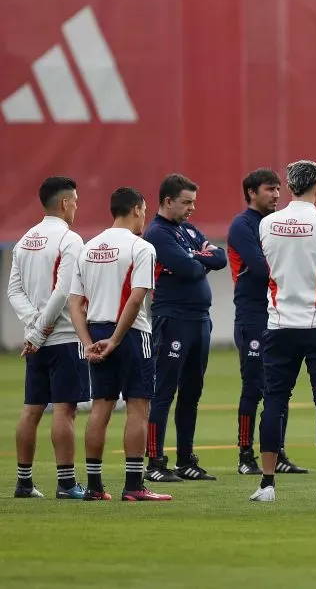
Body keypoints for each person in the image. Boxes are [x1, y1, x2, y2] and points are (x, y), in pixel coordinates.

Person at [248, 160, 316, 503]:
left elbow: (270, 266)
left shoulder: (267, 224)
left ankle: (266, 485)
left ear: (290, 186)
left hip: (279, 325)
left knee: (275, 403)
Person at [68, 187, 171, 501]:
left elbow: (74, 303)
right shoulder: (141, 248)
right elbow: (137, 297)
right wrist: (115, 339)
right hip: (130, 334)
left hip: (95, 328)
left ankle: (95, 487)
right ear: (138, 209)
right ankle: (134, 485)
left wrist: (88, 342)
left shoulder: (88, 248)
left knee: (101, 406)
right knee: (139, 407)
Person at [7, 177, 88, 499]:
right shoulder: (70, 239)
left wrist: (32, 326)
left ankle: (24, 483)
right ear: (66, 203)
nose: (77, 208)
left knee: (31, 409)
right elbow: (65, 291)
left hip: (36, 340)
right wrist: (41, 330)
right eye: (76, 202)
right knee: (64, 409)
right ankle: (67, 484)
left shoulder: (24, 240)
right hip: (63, 337)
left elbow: (14, 291)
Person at [143, 174, 227, 482]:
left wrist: (196, 257)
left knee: (192, 391)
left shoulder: (188, 229)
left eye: (193, 202)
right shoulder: (157, 233)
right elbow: (189, 268)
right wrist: (197, 257)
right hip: (173, 319)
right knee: (164, 391)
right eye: (186, 202)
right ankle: (154, 462)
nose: (191, 208)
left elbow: (220, 258)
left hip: (199, 320)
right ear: (167, 201)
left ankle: (185, 460)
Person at [227, 168, 307, 475]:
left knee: (279, 387)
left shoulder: (275, 223)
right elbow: (262, 269)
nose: (276, 195)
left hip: (280, 313)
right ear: (251, 192)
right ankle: (245, 456)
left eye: (278, 189)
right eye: (269, 189)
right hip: (253, 315)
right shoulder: (242, 226)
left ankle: (278, 453)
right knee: (253, 387)